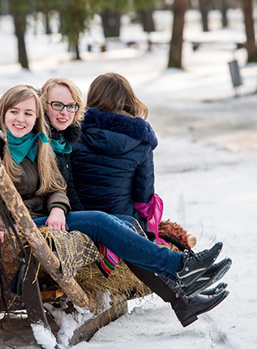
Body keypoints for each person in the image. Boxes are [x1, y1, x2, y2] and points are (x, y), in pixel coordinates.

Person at [0, 84, 229, 327]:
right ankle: (180, 267)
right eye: (14, 112)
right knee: (99, 221)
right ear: (2, 113)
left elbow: (56, 187)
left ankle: (181, 300)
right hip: (18, 227)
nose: (20, 119)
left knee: (126, 223)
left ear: (37, 119)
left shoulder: (39, 145)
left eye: (27, 113)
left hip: (47, 220)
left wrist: (57, 207)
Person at [71, 72, 232, 295]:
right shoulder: (140, 141)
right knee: (148, 232)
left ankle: (193, 282)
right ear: (129, 99)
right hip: (120, 217)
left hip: (81, 215)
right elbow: (144, 198)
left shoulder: (74, 133)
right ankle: (189, 275)